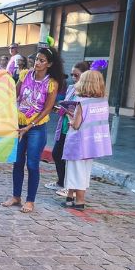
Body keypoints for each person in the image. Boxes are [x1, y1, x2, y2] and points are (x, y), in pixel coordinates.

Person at [2, 46, 63, 213]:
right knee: (17, 162)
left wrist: (30, 126)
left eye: (42, 61)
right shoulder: (25, 75)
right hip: (19, 125)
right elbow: (13, 95)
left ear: (49, 64)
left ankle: (30, 201)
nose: (37, 63)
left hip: (36, 128)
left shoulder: (51, 83)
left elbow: (47, 109)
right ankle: (16, 196)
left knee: (32, 164)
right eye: (37, 59)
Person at [62, 69, 112, 210]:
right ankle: (70, 197)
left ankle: (79, 201)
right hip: (93, 143)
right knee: (84, 171)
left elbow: (76, 125)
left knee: (75, 171)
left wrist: (69, 116)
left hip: (78, 143)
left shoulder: (81, 102)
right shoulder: (103, 102)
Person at [45, 61, 91, 196]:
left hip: (77, 128)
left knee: (72, 159)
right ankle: (62, 182)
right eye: (72, 75)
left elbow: (85, 111)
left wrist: (73, 112)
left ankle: (71, 188)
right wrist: (59, 109)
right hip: (65, 125)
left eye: (76, 75)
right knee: (57, 153)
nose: (74, 78)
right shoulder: (71, 88)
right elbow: (67, 106)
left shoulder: (88, 91)